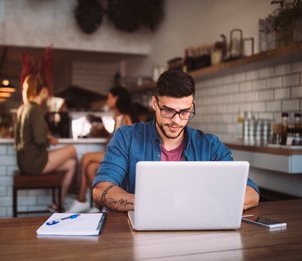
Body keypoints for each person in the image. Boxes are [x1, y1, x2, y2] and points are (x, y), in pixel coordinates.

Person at [92, 70, 260, 212]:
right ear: (154, 104)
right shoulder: (127, 137)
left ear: (192, 106)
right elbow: (101, 190)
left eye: (185, 112)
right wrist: (152, 204)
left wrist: (198, 205)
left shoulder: (209, 145)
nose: (177, 120)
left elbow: (251, 193)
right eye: (168, 111)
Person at [67, 86, 138, 213]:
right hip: (114, 153)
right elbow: (114, 139)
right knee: (90, 168)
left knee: (85, 157)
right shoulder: (117, 117)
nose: (107, 100)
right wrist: (102, 132)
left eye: (109, 97)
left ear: (116, 98)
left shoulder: (125, 117)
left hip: (122, 157)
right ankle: (98, 207)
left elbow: (129, 142)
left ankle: (81, 198)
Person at [15, 74, 77, 211]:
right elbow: (39, 139)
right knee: (72, 149)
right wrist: (51, 139)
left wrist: (46, 136)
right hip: (34, 162)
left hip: (24, 161)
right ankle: (78, 195)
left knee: (71, 164)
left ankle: (57, 204)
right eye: (47, 91)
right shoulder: (35, 109)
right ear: (43, 90)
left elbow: (29, 135)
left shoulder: (23, 108)